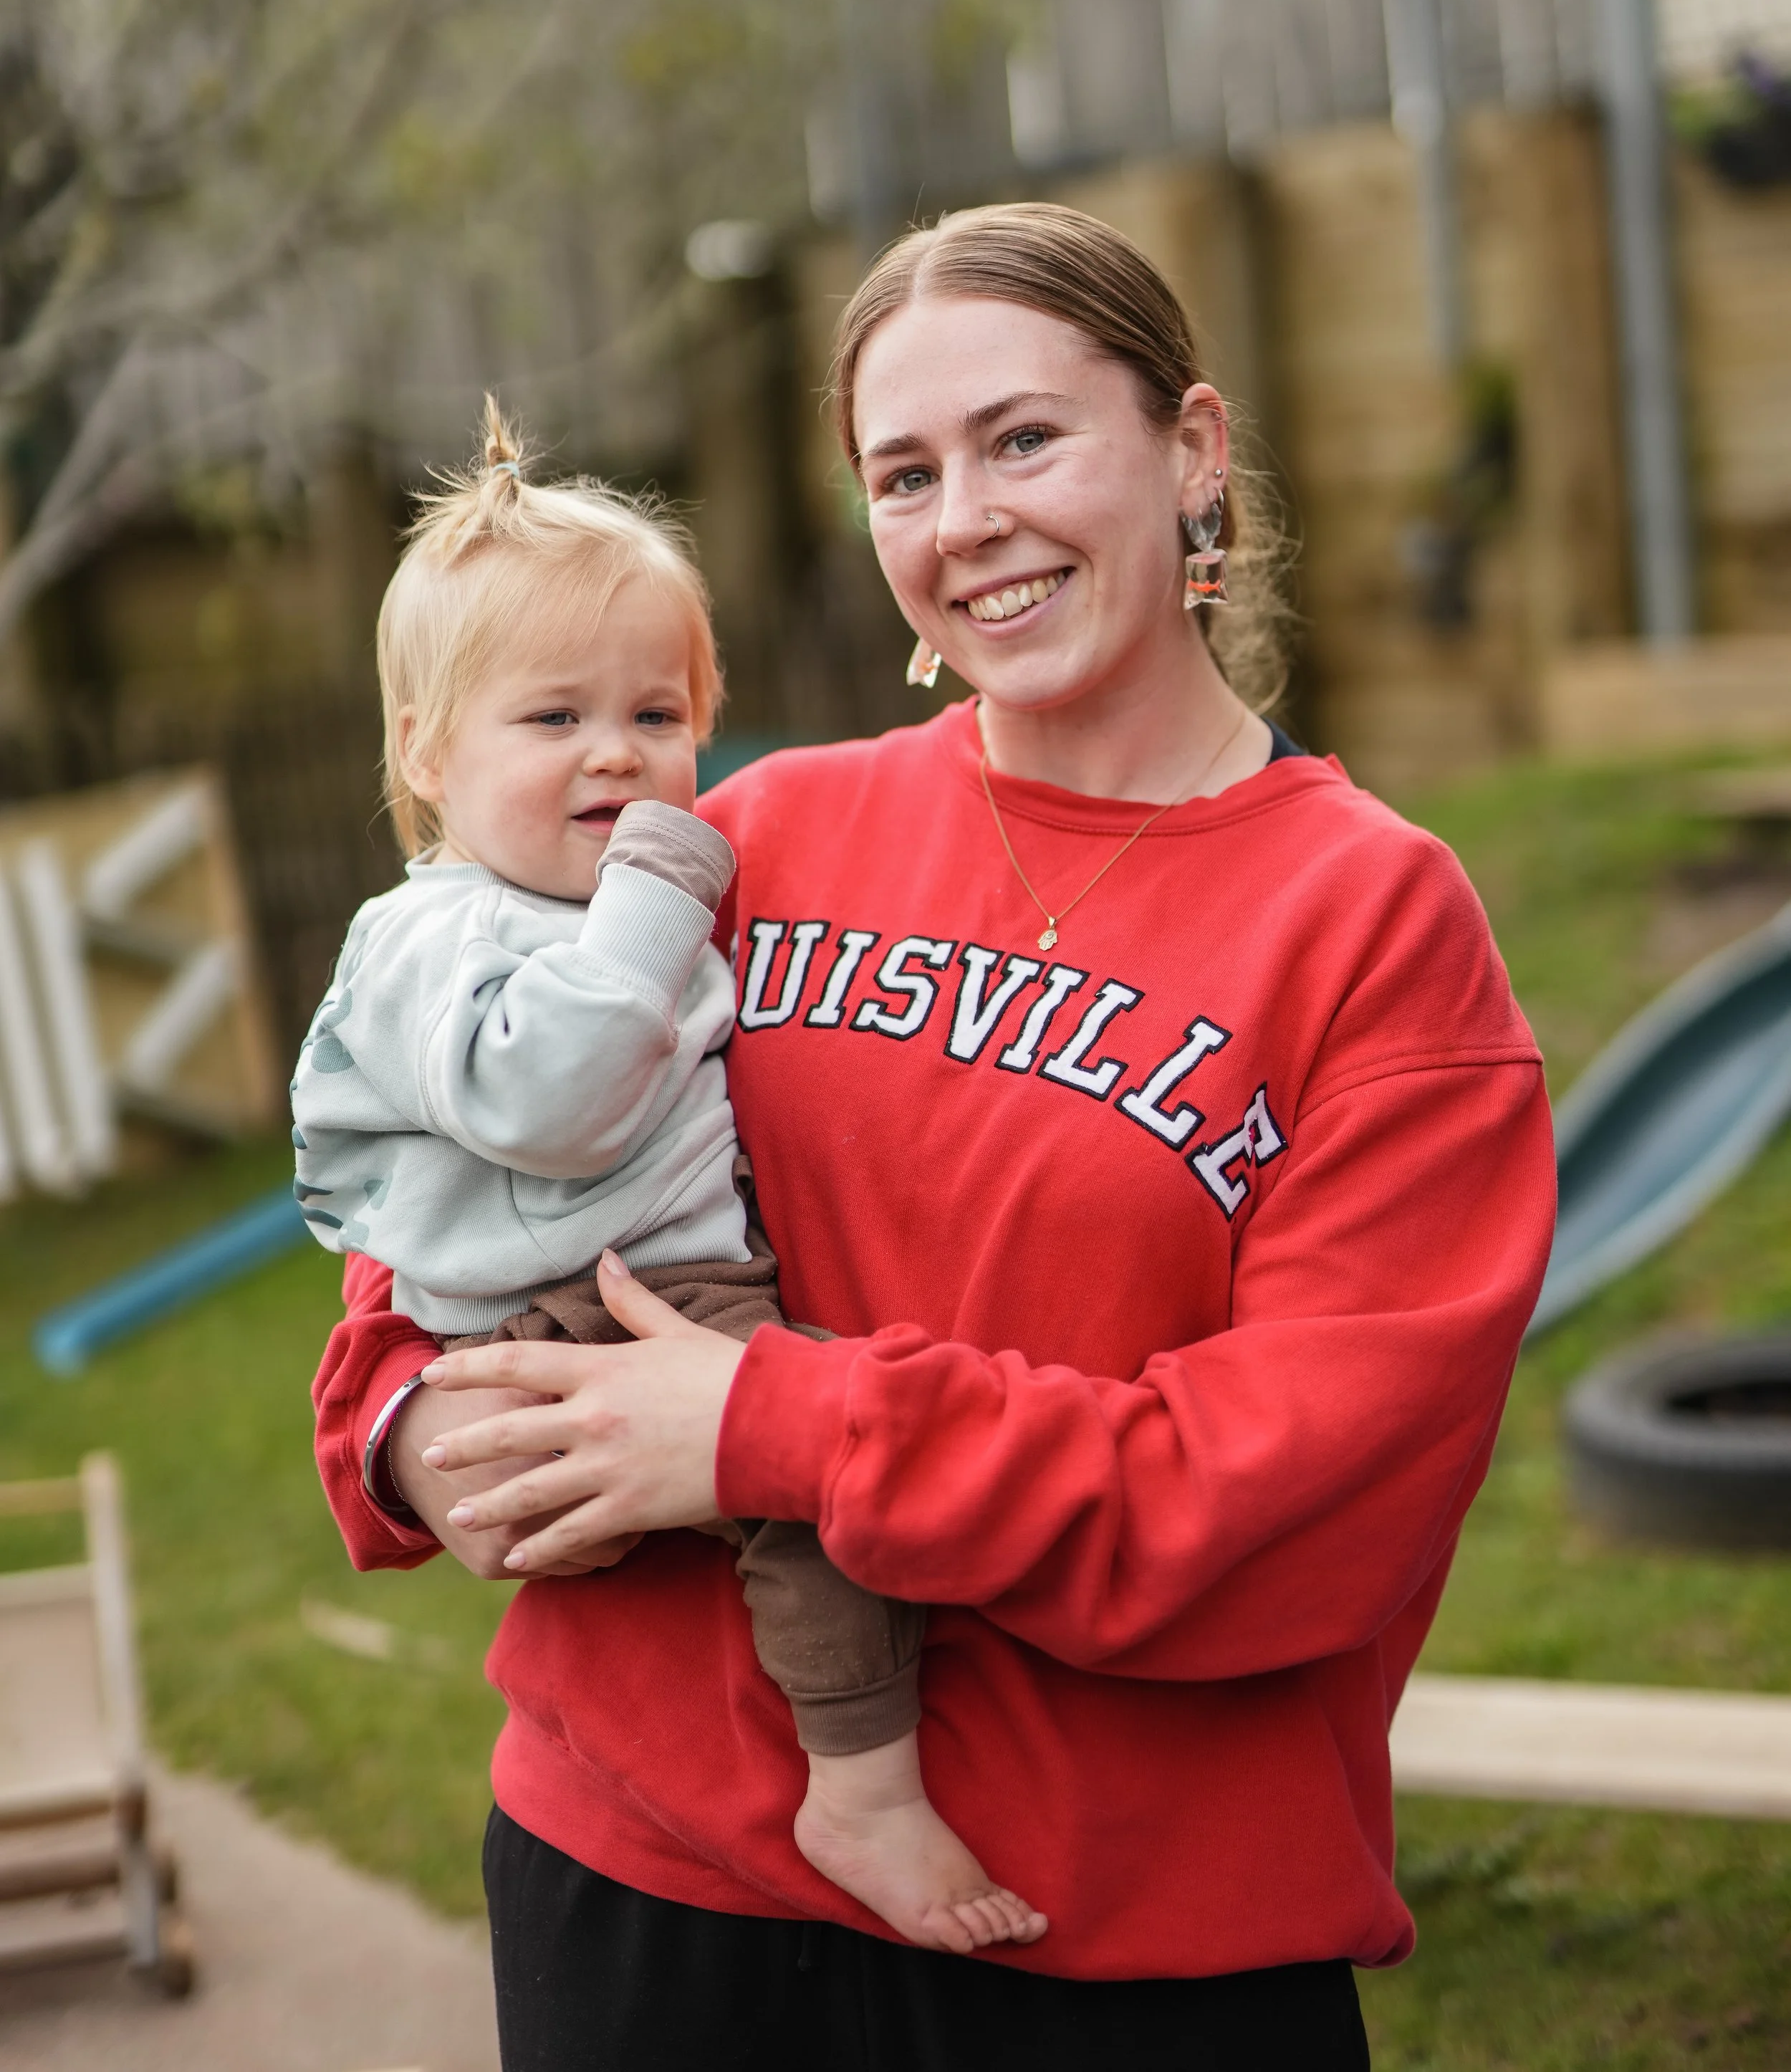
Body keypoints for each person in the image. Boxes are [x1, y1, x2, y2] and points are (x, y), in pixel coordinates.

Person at [314, 202, 1556, 2071]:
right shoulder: (746, 830)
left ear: (1191, 450)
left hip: (1118, 1936)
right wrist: (407, 1426)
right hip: (638, 1883)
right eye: (903, 469)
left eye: (1023, 437)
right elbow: (461, 1179)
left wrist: (778, 1424)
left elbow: (1298, 1506)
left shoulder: (1370, 921)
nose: (961, 514)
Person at [294, 398, 1043, 1954]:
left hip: (626, 1282)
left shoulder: (588, 907)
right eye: (553, 720)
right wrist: (660, 892)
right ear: (426, 758)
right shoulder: (452, 927)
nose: (619, 755)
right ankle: (864, 1785)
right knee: (823, 1481)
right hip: (598, 1303)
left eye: (656, 713)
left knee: (813, 1460)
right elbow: (550, 1105)